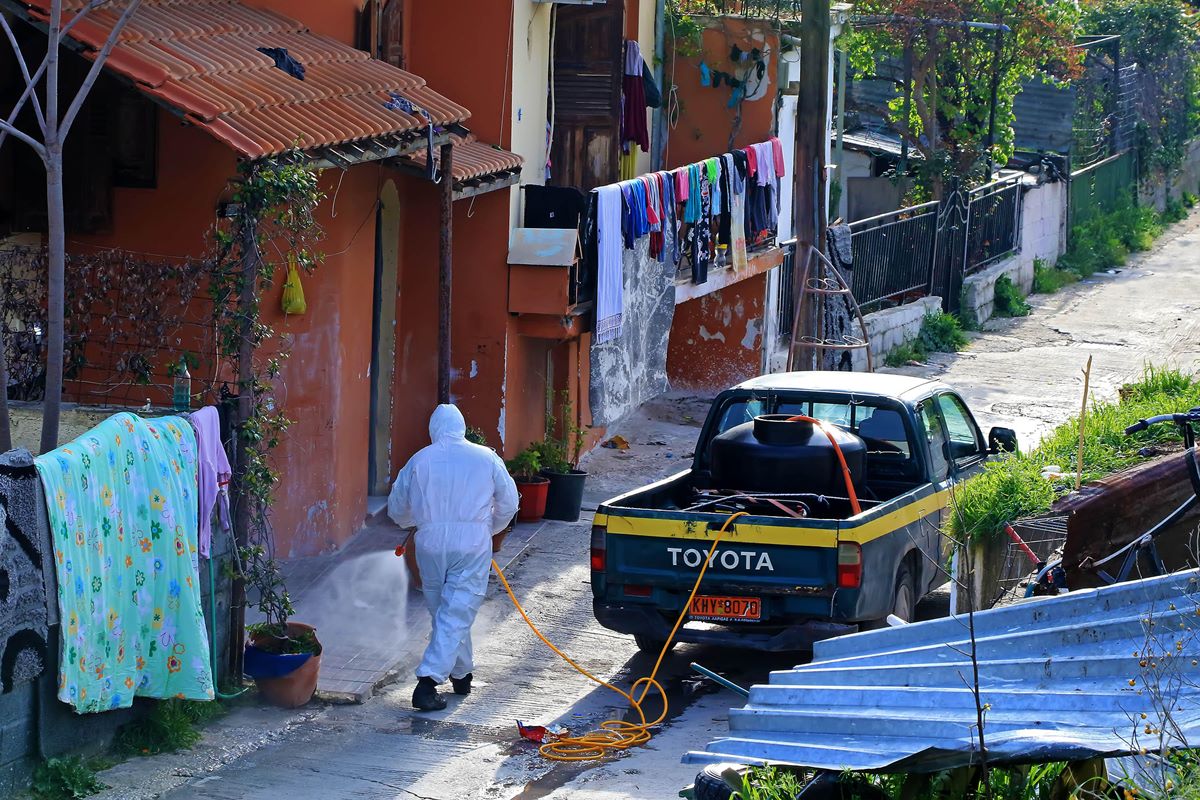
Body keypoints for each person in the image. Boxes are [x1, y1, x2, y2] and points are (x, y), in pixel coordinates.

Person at [387, 404, 519, 712]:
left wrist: (418, 523)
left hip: (429, 545)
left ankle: (462, 675)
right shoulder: (485, 457)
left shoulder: (419, 460)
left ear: (434, 430)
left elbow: (396, 509)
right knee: (455, 611)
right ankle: (428, 682)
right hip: (472, 544)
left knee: (446, 612)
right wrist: (489, 528)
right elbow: (509, 502)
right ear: (461, 427)